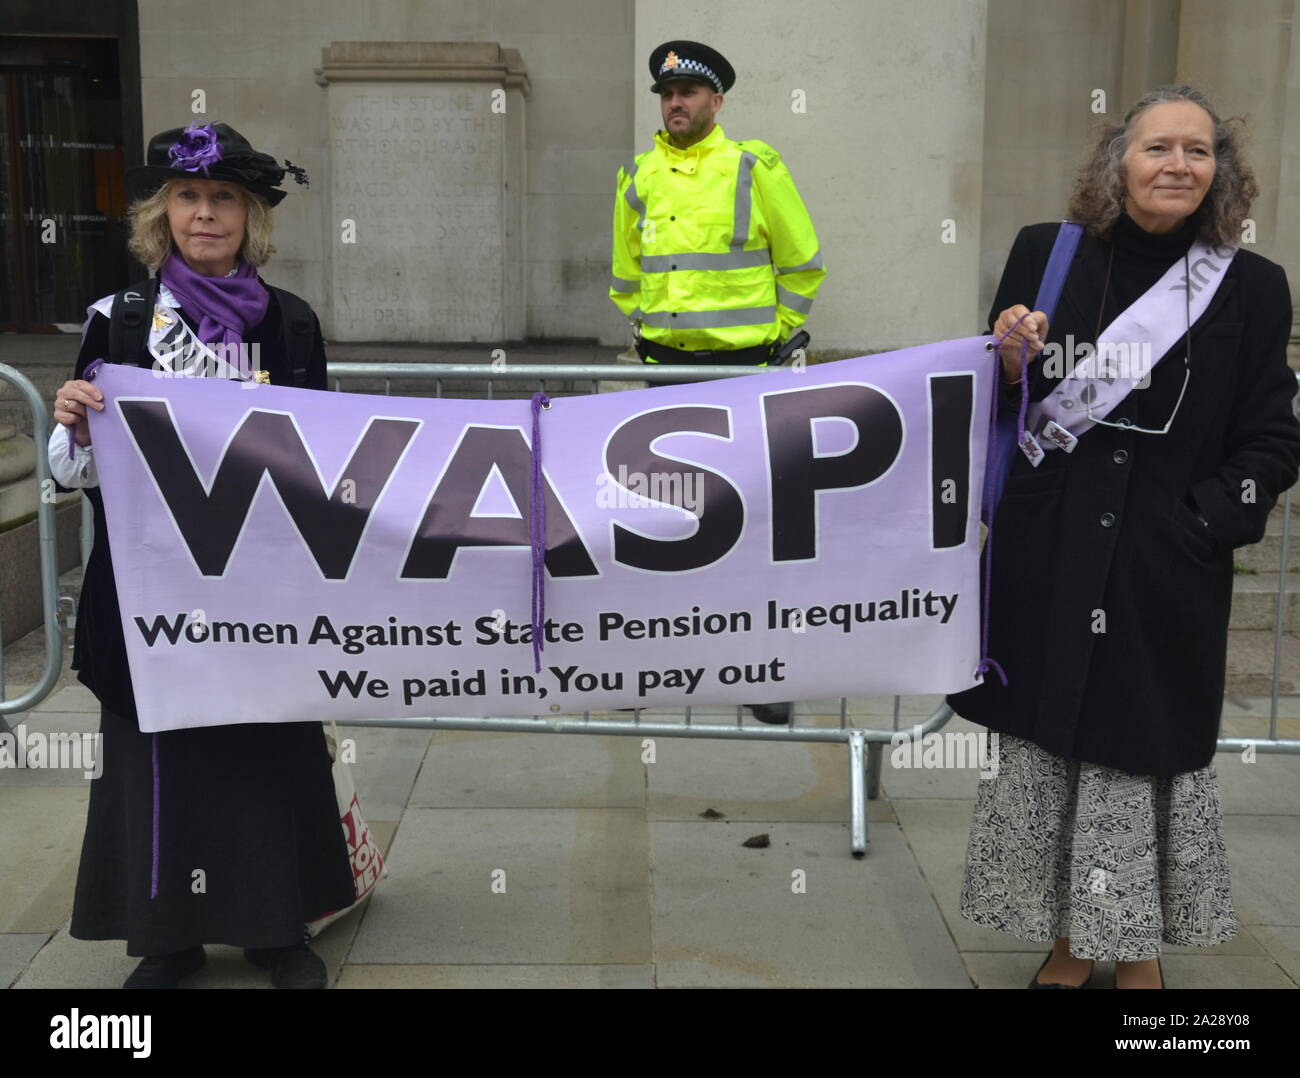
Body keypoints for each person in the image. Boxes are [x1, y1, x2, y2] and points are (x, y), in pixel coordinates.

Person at [948, 86, 1300, 989]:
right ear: (1118, 163)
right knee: (1055, 746)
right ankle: (1068, 942)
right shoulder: (1048, 253)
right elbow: (995, 393)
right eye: (1158, 149)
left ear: (1221, 171)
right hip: (1055, 545)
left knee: (1138, 751)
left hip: (1161, 559)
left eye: (1198, 151)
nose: (1179, 165)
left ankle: (1134, 947)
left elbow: (1273, 435)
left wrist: (1206, 523)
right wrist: (1011, 357)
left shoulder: (1253, 285)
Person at [50, 122, 355, 989]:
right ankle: (168, 936)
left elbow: (325, 460)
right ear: (161, 214)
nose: (205, 213)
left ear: (251, 217)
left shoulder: (292, 326)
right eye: (187, 197)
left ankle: (275, 929)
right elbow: (78, 474)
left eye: (225, 198)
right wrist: (73, 418)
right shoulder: (120, 321)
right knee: (161, 759)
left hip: (260, 589)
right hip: (150, 592)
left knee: (262, 751)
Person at [609, 40, 827, 725]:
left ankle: (760, 670)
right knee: (664, 516)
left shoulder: (751, 166)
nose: (677, 103)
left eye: (690, 93)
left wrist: (778, 333)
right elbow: (625, 276)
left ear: (716, 102)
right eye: (668, 95)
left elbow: (802, 263)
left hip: (744, 374)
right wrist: (644, 329)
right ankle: (653, 660)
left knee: (748, 518)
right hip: (664, 373)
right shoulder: (637, 176)